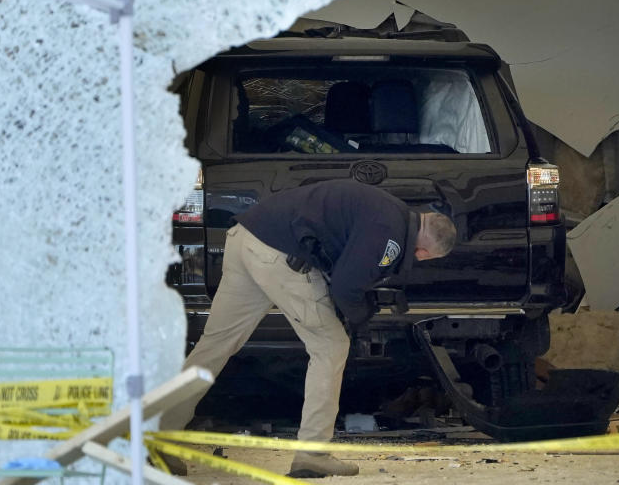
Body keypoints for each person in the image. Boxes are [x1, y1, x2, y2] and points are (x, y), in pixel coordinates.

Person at [159, 179, 457, 478]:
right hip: (278, 255)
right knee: (331, 346)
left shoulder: (389, 210)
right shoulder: (389, 236)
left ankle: (158, 433)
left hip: (245, 237)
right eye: (422, 257)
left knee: (216, 343)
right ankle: (311, 455)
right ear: (424, 252)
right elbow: (346, 286)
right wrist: (360, 314)